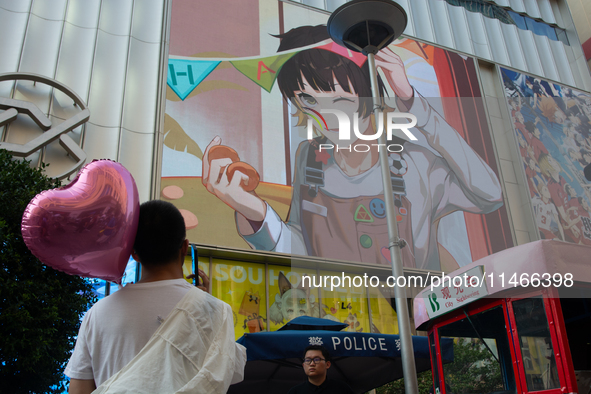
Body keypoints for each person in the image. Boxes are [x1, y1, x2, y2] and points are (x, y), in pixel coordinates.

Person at [203, 25, 502, 271]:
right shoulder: (310, 159)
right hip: (343, 325)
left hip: (414, 332)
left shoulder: (417, 164)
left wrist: (413, 102)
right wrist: (252, 209)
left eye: (341, 100)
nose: (326, 118)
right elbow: (303, 249)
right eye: (308, 100)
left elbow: (490, 195)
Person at [65, 200, 246, 393]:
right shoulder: (216, 312)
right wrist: (204, 306)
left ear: (134, 253)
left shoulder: (97, 314)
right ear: (184, 248)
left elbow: (78, 390)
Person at [287, 345, 354, 394]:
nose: (312, 363)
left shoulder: (342, 389)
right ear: (303, 365)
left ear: (327, 364)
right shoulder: (295, 392)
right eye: (308, 360)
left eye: (316, 359)